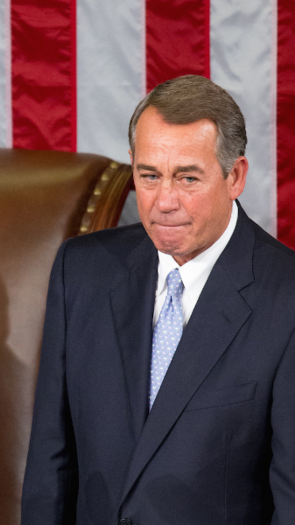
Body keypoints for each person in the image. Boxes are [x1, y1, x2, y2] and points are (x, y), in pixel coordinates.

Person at [21, 74, 295, 524]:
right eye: (149, 176)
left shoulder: (285, 298)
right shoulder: (82, 271)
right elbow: (51, 464)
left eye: (187, 178)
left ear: (235, 176)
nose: (163, 201)